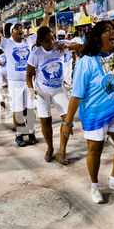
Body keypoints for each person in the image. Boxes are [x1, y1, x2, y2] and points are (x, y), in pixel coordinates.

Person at [62, 20, 114, 204]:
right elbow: (77, 94)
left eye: (113, 30)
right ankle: (94, 186)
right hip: (94, 112)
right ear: (96, 37)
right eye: (107, 30)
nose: (112, 33)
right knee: (95, 150)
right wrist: (67, 122)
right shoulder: (86, 62)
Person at [0, 0, 55, 147]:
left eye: (21, 28)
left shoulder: (28, 41)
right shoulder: (7, 43)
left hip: (28, 82)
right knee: (18, 109)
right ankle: (20, 134)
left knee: (31, 108)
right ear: (12, 33)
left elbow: (42, 29)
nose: (21, 29)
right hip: (15, 83)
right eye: (17, 28)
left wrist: (47, 14)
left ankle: (31, 131)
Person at [26, 26, 81, 164]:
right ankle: (50, 147)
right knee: (46, 121)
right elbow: (28, 75)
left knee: (67, 120)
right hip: (42, 91)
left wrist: (68, 45)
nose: (51, 42)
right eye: (47, 41)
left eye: (53, 38)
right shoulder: (36, 53)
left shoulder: (59, 46)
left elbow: (80, 46)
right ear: (40, 41)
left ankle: (62, 151)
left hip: (58, 89)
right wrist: (32, 92)